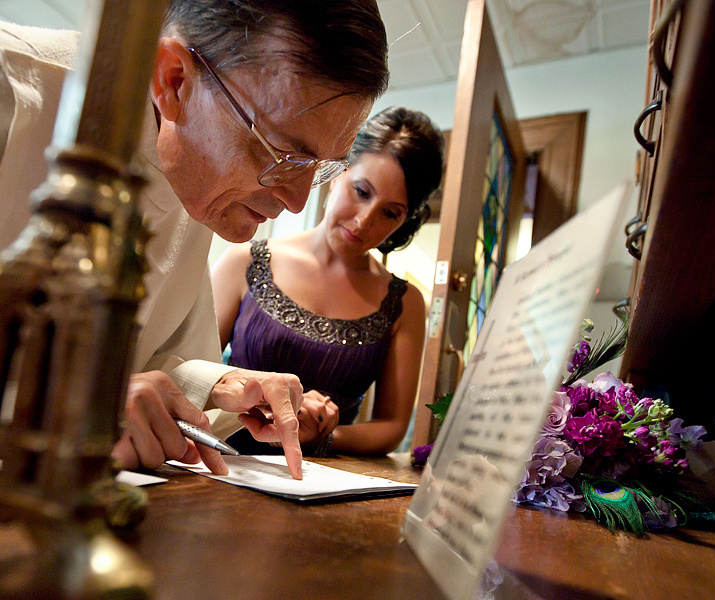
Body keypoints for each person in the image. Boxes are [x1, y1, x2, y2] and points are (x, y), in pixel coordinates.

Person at [0, 0, 389, 479]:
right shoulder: (13, 94)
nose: (294, 201)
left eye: (320, 167)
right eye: (284, 156)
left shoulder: (200, 180)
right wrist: (70, 408)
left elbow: (151, 359)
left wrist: (219, 383)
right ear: (174, 81)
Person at [211, 106, 444, 455]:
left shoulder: (405, 302)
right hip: (223, 461)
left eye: (390, 212)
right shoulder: (245, 259)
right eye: (362, 192)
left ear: (404, 221)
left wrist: (323, 437)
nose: (364, 221)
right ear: (337, 171)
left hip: (324, 484)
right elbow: (191, 374)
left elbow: (392, 426)